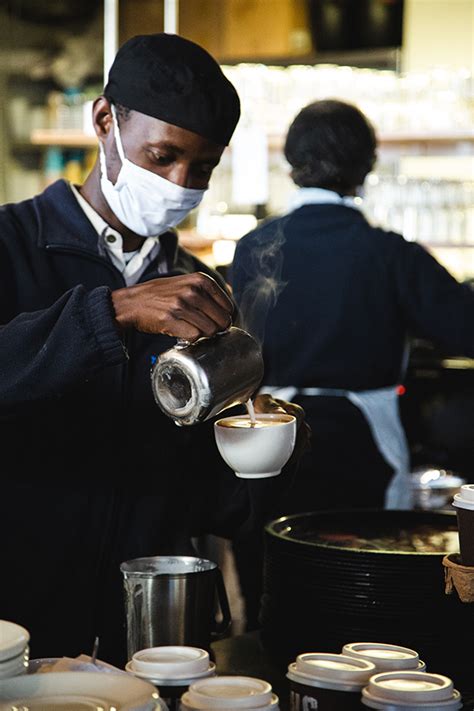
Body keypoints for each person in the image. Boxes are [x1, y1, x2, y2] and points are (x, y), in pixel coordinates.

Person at [0, 33, 306, 667]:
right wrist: (109, 312)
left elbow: (203, 497)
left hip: (148, 626)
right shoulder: (12, 245)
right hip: (18, 612)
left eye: (201, 168)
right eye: (163, 155)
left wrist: (257, 446)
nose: (179, 183)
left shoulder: (201, 289)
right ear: (106, 121)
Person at [230, 99, 474, 627]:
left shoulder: (253, 246)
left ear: (291, 165)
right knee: (362, 594)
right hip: (365, 446)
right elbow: (464, 326)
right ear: (367, 168)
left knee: (276, 587)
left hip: (271, 439)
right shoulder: (387, 252)